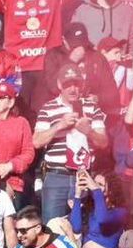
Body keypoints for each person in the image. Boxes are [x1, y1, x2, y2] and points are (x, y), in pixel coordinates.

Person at [32, 64, 110, 222]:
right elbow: (36, 142)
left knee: (82, 226)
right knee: (53, 227)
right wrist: (59, 125)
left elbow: (103, 143)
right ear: (60, 85)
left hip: (84, 175)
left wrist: (88, 131)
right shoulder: (48, 108)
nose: (73, 89)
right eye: (68, 84)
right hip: (56, 175)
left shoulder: (92, 107)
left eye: (76, 84)